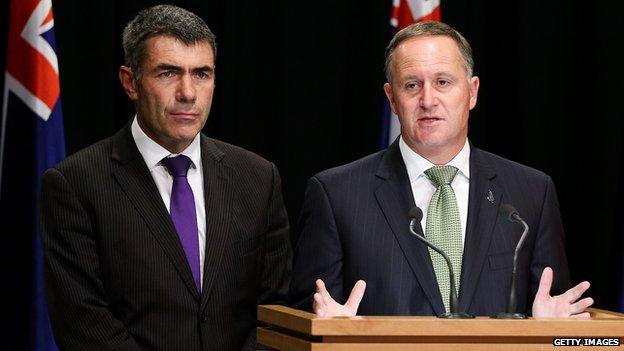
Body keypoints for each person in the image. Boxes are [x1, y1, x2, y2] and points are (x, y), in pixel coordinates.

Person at [287, 21, 592, 318]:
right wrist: (327, 329)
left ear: (472, 92)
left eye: (443, 82)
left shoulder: (531, 193)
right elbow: (301, 318)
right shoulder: (336, 195)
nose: (428, 100)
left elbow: (552, 306)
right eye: (411, 85)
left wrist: (543, 329)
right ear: (392, 99)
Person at [40, 5, 290, 350]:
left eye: (201, 74)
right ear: (131, 82)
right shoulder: (75, 184)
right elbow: (83, 321)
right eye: (168, 73)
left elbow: (276, 308)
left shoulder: (259, 178)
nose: (188, 92)